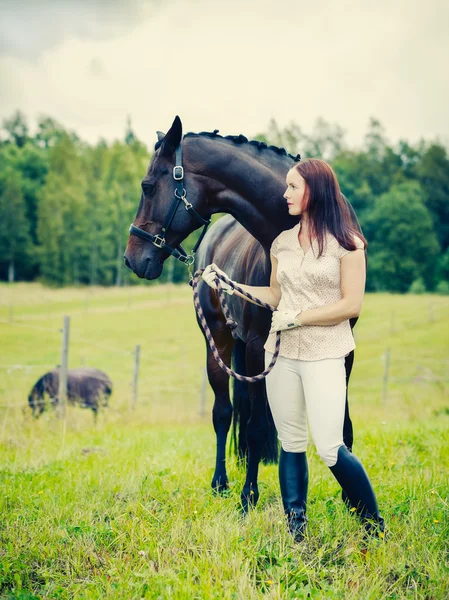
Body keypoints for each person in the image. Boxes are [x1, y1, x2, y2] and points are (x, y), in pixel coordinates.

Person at [202, 158, 384, 542]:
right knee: (292, 441)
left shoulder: (349, 244)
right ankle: (296, 529)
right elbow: (275, 294)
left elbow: (352, 305)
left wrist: (299, 317)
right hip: (281, 355)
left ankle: (373, 525)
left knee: (331, 446)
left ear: (314, 192)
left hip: (325, 353)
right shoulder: (281, 244)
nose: (285, 194)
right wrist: (228, 284)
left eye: (293, 187)